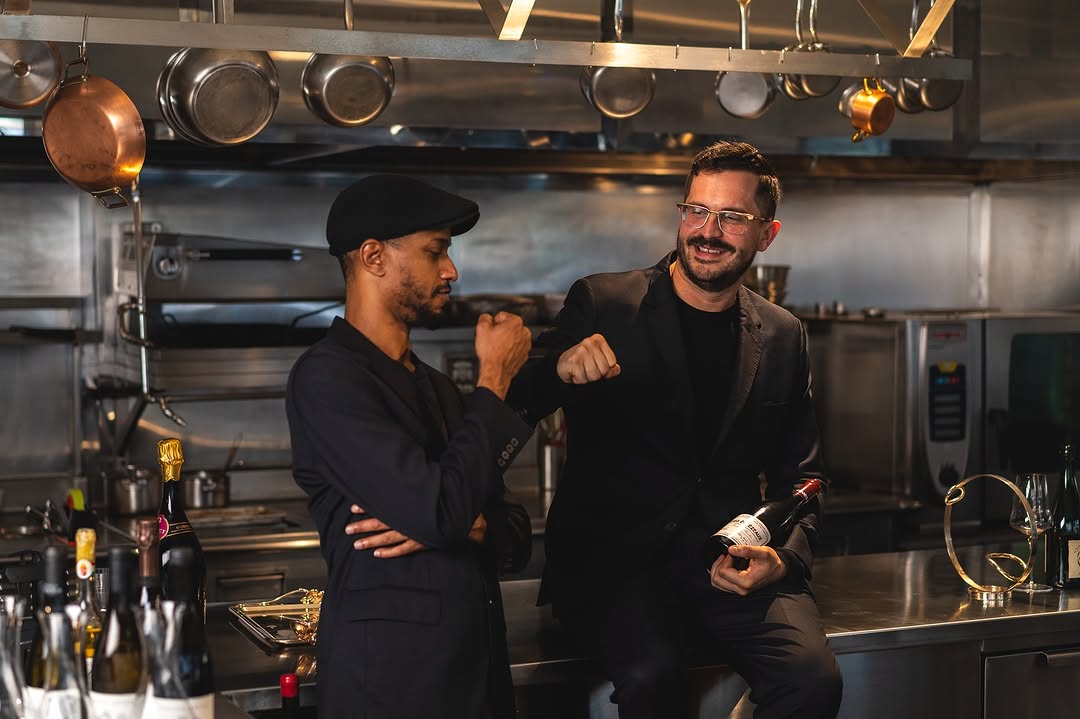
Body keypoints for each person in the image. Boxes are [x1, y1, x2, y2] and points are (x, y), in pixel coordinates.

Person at [506, 140, 843, 719]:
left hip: (728, 563)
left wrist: (784, 559)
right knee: (652, 679)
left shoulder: (783, 333)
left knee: (812, 680)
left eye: (732, 217)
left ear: (767, 234)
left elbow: (804, 475)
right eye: (697, 210)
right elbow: (515, 402)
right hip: (614, 570)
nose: (708, 231)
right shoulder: (603, 302)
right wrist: (557, 370)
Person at [285, 174, 535, 718]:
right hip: (393, 684)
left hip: (477, 677)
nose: (451, 271)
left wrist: (473, 522)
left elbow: (514, 534)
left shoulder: (437, 386)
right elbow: (441, 511)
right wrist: (494, 378)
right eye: (434, 251)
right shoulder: (327, 378)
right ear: (373, 256)